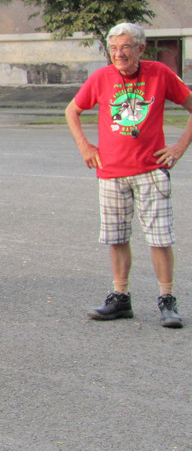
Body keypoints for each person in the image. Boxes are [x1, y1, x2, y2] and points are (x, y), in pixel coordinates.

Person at [65, 22, 192, 329]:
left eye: (125, 48)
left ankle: (167, 299)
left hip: (151, 171)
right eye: (113, 49)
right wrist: (85, 146)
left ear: (141, 49)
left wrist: (178, 148)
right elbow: (72, 110)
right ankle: (120, 298)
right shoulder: (101, 77)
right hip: (111, 172)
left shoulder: (160, 74)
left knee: (159, 238)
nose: (119, 54)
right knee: (117, 237)